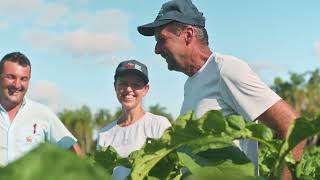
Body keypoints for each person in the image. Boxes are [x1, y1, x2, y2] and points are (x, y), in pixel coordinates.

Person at [137, 0, 305, 179]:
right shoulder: (192, 83)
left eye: (162, 40)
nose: (156, 50)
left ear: (188, 34)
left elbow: (293, 126)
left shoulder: (225, 69)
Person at [0, 52, 81, 166]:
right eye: (11, 77)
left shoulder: (42, 113)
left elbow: (73, 150)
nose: (17, 84)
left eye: (23, 79)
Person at [97, 60, 171, 179]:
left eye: (136, 84)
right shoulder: (105, 134)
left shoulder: (159, 125)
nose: (129, 89)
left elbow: (170, 168)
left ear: (146, 89)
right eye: (123, 83)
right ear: (115, 86)